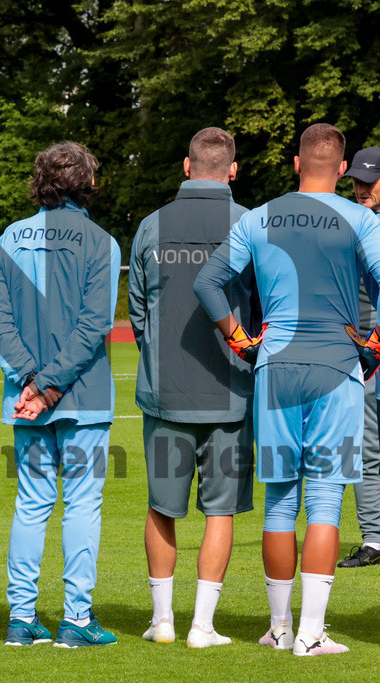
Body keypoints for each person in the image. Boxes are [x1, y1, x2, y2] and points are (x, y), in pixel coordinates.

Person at [195, 123, 380, 656]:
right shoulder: (361, 218)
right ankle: (310, 634)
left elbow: (208, 282)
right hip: (336, 368)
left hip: (274, 368)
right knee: (325, 500)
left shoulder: (257, 218)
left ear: (296, 164)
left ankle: (278, 628)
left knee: (280, 503)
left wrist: (237, 338)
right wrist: (374, 342)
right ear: (343, 170)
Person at [0, 141, 119, 648]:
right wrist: (49, 384)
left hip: (28, 397)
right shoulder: (101, 241)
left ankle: (21, 620)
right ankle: (76, 620)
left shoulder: (8, 239)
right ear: (87, 182)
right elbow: (95, 325)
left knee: (32, 503)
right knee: (82, 505)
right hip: (80, 396)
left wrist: (32, 382)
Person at [129, 128, 256, 647]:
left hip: (165, 393)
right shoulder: (251, 223)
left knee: (162, 506)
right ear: (232, 169)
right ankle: (202, 626)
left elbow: (138, 314)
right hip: (231, 390)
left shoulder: (150, 226)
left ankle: (162, 621)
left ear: (186, 166)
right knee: (219, 510)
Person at [337, 146, 380, 569]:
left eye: (371, 180)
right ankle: (374, 540)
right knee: (365, 449)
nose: (362, 188)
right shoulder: (350, 224)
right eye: (357, 181)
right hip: (365, 357)